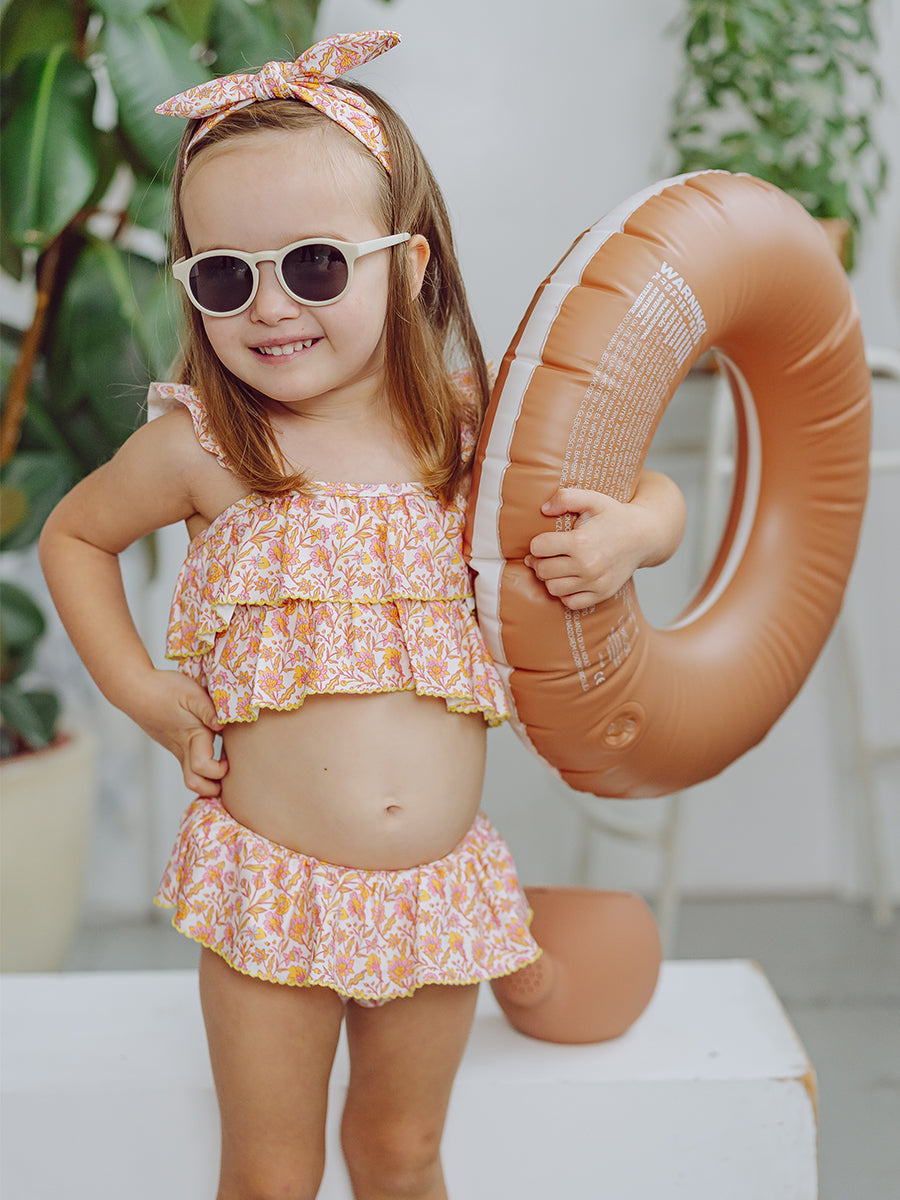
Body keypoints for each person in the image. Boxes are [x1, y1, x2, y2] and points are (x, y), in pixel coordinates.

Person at [39, 30, 686, 1200]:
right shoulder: (204, 447)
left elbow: (650, 487)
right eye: (225, 277)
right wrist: (143, 692)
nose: (270, 309)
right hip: (274, 887)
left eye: (316, 266)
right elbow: (74, 536)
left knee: (401, 1153)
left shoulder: (465, 429)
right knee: (271, 1174)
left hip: (434, 890)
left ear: (410, 264)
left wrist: (631, 535)